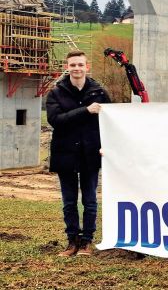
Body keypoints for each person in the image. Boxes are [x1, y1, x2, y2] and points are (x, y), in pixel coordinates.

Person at [46, 50, 111, 257]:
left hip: (91, 152)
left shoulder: (99, 91)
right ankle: (72, 241)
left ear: (87, 67)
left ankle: (86, 242)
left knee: (90, 200)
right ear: (68, 67)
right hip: (65, 153)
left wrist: (107, 144)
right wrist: (85, 111)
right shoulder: (55, 92)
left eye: (80, 65)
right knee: (69, 201)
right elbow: (55, 120)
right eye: (73, 65)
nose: (76, 68)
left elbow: (111, 121)